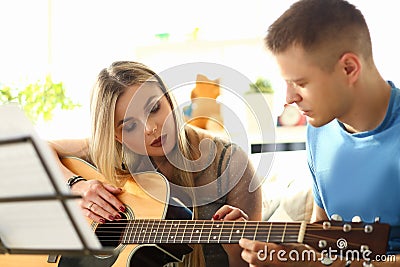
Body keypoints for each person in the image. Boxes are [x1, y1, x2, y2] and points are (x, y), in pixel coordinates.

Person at [49, 61, 262, 267]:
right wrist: (75, 185)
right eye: (130, 125)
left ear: (168, 99)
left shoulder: (230, 163)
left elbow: (252, 263)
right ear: (116, 136)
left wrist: (237, 252)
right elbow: (34, 151)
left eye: (154, 108)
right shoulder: (107, 153)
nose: (151, 128)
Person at [239, 0, 400, 266]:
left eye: (300, 83)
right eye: (286, 83)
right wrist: (262, 238)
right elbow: (322, 238)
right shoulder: (320, 131)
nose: (289, 98)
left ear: (349, 68)